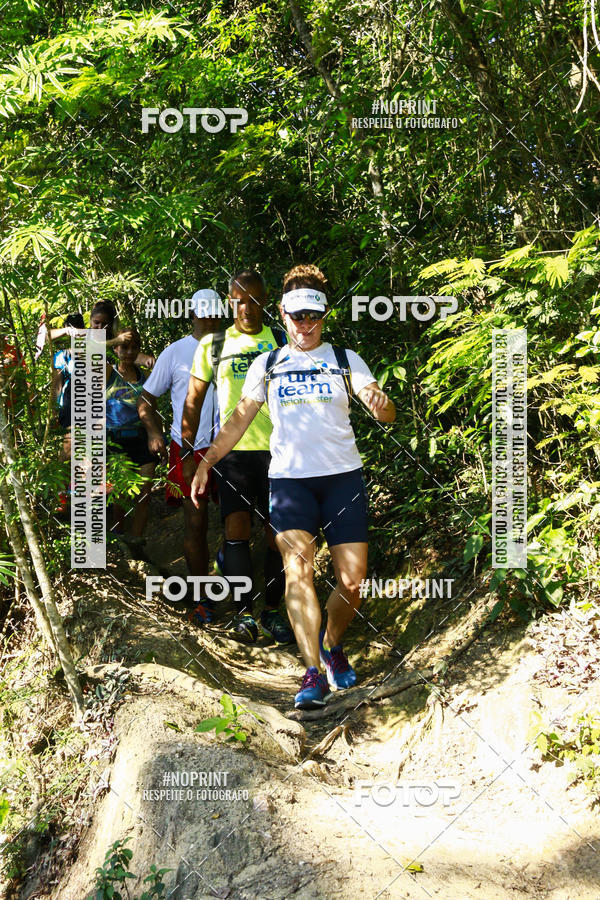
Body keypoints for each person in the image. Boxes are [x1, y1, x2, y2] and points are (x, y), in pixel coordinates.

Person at [189, 264, 396, 709]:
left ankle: (332, 645)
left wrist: (381, 404)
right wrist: (207, 460)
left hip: (342, 479)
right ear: (282, 313)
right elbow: (239, 419)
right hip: (288, 482)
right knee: (298, 571)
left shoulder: (345, 360)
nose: (305, 324)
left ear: (324, 315)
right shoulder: (268, 364)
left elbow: (384, 411)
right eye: (297, 315)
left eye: (313, 316)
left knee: (353, 579)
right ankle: (312, 673)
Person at [181, 270, 294, 646]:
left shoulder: (281, 339)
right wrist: (190, 453)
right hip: (232, 453)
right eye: (239, 300)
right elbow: (193, 402)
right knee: (236, 532)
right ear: (230, 302)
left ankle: (273, 611)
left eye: (254, 299)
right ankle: (245, 613)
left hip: (279, 451)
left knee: (278, 536)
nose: (246, 307)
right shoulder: (214, 344)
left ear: (266, 301)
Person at [137, 289, 222, 624]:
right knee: (196, 521)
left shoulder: (234, 349)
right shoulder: (175, 353)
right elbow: (146, 399)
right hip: (187, 448)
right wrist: (154, 433)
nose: (210, 318)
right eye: (204, 313)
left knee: (236, 521)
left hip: (232, 447)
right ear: (192, 314)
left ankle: (243, 595)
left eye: (214, 312)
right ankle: (202, 599)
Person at [105, 328, 157, 549]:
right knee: (119, 495)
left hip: (142, 438)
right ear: (116, 348)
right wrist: (113, 340)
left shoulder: (146, 377)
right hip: (115, 441)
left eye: (133, 347)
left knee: (144, 493)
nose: (128, 351)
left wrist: (157, 436)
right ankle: (119, 539)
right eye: (123, 346)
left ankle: (137, 542)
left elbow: (152, 409)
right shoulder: (107, 371)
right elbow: (85, 350)